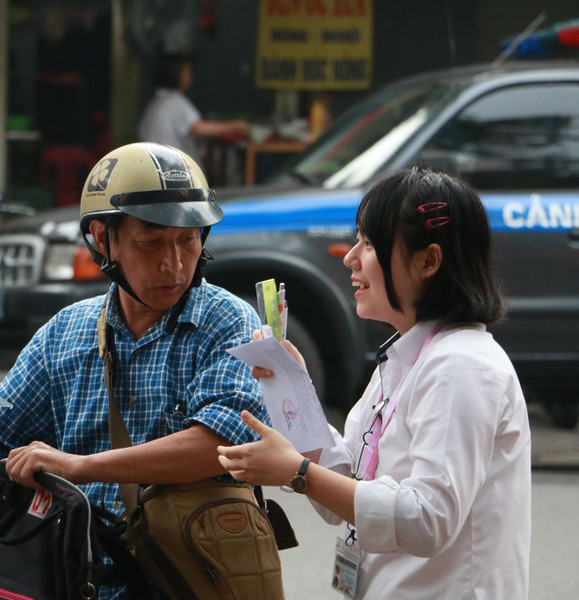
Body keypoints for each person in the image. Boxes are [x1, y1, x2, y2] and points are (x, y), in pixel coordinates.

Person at [0, 142, 271, 599]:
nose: (174, 264)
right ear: (104, 239)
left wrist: (80, 467)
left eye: (188, 240)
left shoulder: (230, 322)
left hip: (191, 584)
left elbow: (221, 444)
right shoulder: (65, 333)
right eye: (152, 242)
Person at [217, 167, 531, 599]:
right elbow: (349, 484)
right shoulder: (409, 356)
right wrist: (294, 389)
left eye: (368, 243)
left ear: (428, 261)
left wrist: (296, 471)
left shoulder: (462, 366)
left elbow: (427, 520)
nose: (350, 257)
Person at [137, 54, 251, 168]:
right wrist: (236, 126)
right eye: (187, 72)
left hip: (158, 167)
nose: (190, 78)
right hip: (174, 170)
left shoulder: (156, 102)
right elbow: (199, 128)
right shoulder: (174, 101)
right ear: (174, 73)